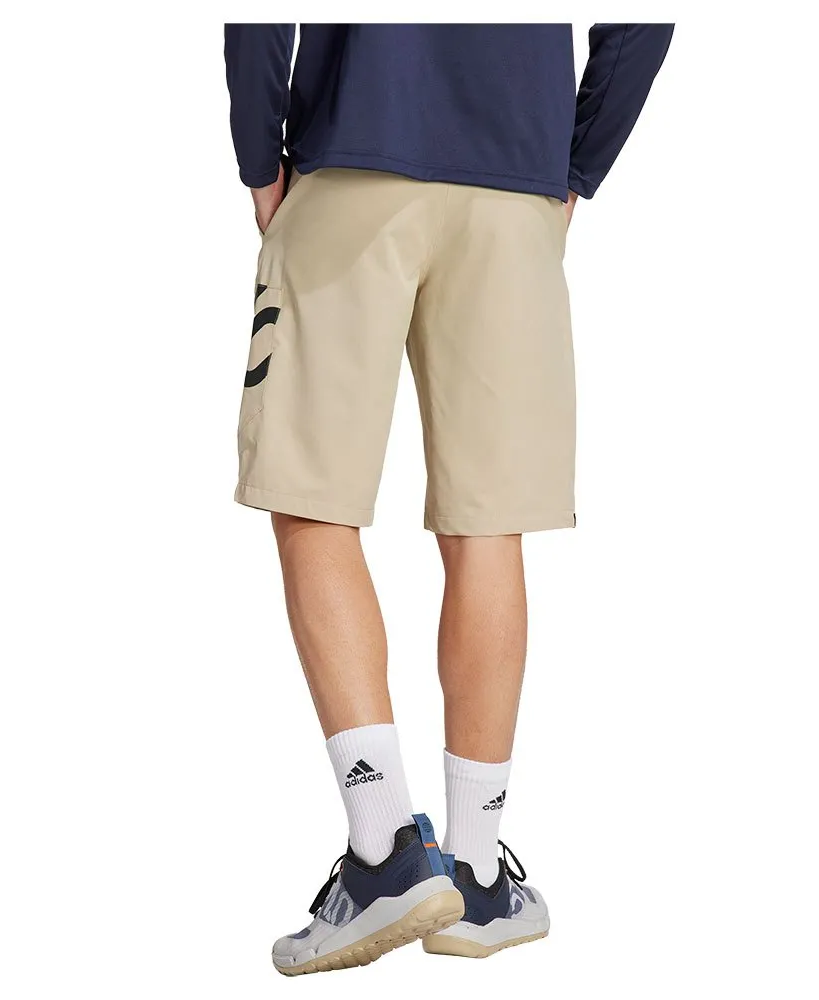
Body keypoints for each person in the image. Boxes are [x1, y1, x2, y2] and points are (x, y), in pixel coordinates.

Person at [224, 22, 673, 975]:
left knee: (311, 495)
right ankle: (474, 873)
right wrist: (573, 169)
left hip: (351, 163)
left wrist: (259, 158)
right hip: (513, 187)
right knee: (486, 526)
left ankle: (386, 848)